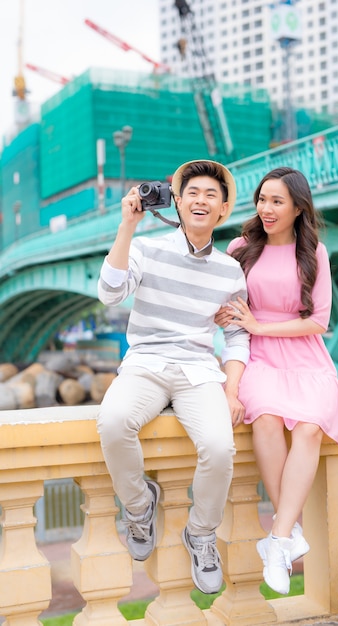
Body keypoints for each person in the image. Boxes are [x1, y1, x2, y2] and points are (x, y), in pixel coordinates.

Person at [97, 160, 250, 595]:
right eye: (193, 193)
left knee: (220, 448)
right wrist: (126, 227)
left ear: (222, 210)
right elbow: (110, 294)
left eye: (211, 195)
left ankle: (201, 533)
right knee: (112, 422)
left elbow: (237, 336)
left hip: (199, 371)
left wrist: (232, 388)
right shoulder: (146, 248)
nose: (201, 200)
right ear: (178, 202)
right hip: (145, 363)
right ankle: (139, 505)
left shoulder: (229, 270)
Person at [215, 166, 338, 595]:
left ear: (297, 207)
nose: (266, 209)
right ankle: (286, 537)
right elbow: (222, 306)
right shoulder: (241, 248)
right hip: (258, 359)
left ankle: (278, 537)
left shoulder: (315, 253)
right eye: (262, 199)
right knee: (268, 419)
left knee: (309, 427)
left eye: (277, 201)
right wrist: (227, 316)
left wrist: (259, 325)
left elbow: (319, 322)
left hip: (305, 356)